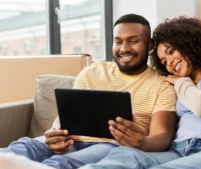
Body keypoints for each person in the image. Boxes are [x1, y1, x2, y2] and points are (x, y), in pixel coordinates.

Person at [80, 16, 201, 169]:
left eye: (172, 52)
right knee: (125, 156)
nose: (170, 63)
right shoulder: (176, 82)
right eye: (164, 61)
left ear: (190, 43)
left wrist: (181, 81)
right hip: (178, 150)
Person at [0, 14, 178, 169]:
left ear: (149, 45)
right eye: (118, 41)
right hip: (71, 140)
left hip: (111, 145)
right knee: (21, 147)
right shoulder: (92, 71)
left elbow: (162, 136)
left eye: (133, 41)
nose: (124, 48)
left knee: (60, 164)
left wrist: (142, 141)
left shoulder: (161, 84)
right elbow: (66, 114)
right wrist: (56, 132)